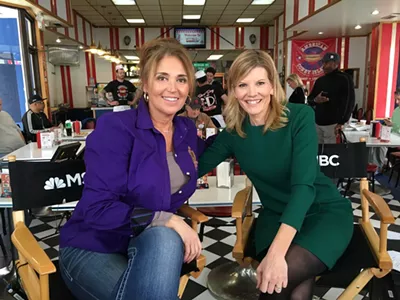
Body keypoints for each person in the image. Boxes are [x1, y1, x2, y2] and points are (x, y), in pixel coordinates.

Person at [198, 50, 353, 299]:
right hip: (276, 216)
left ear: (272, 85)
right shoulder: (233, 133)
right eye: (243, 85)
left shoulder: (299, 117)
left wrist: (277, 253)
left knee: (272, 284)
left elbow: (303, 187)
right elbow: (193, 169)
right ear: (233, 90)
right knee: (286, 287)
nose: (252, 93)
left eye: (260, 83)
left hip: (322, 213)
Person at [59, 38, 203, 300]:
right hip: (94, 245)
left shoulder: (186, 131)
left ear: (189, 87)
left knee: (165, 239)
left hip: (149, 242)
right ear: (146, 84)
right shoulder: (116, 129)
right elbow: (97, 209)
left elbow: (218, 149)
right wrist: (168, 219)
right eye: (162, 78)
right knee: (164, 240)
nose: (173, 88)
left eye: (181, 79)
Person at [307, 52, 355, 144]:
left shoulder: (345, 79)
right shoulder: (320, 80)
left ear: (335, 64)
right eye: (323, 63)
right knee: (319, 151)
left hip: (334, 123)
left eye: (326, 63)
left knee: (331, 152)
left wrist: (342, 121)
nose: (323, 66)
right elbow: (310, 99)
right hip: (318, 122)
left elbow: (349, 101)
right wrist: (316, 100)